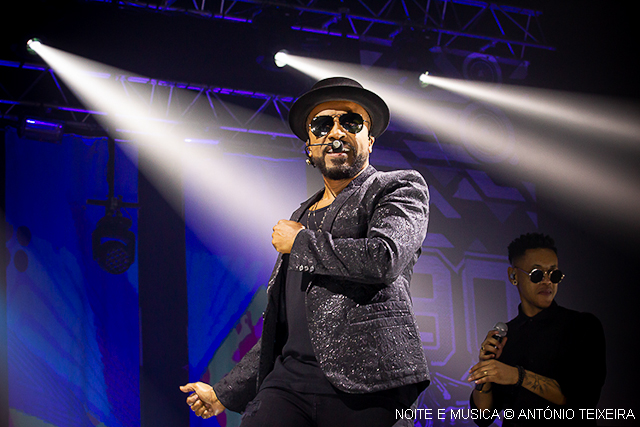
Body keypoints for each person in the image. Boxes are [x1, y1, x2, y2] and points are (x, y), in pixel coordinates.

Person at [181, 77, 431, 426]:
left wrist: (300, 243)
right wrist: (224, 393)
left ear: (369, 141)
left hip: (369, 382)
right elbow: (283, 326)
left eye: (351, 122)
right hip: (289, 383)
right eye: (323, 124)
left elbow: (384, 257)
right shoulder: (301, 216)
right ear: (310, 146)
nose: (336, 132)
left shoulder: (397, 187)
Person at [468, 232, 606, 426]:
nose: (547, 281)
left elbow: (582, 401)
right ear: (513, 275)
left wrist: (517, 375)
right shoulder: (506, 336)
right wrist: (486, 371)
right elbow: (483, 417)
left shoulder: (582, 326)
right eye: (537, 274)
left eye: (554, 274)